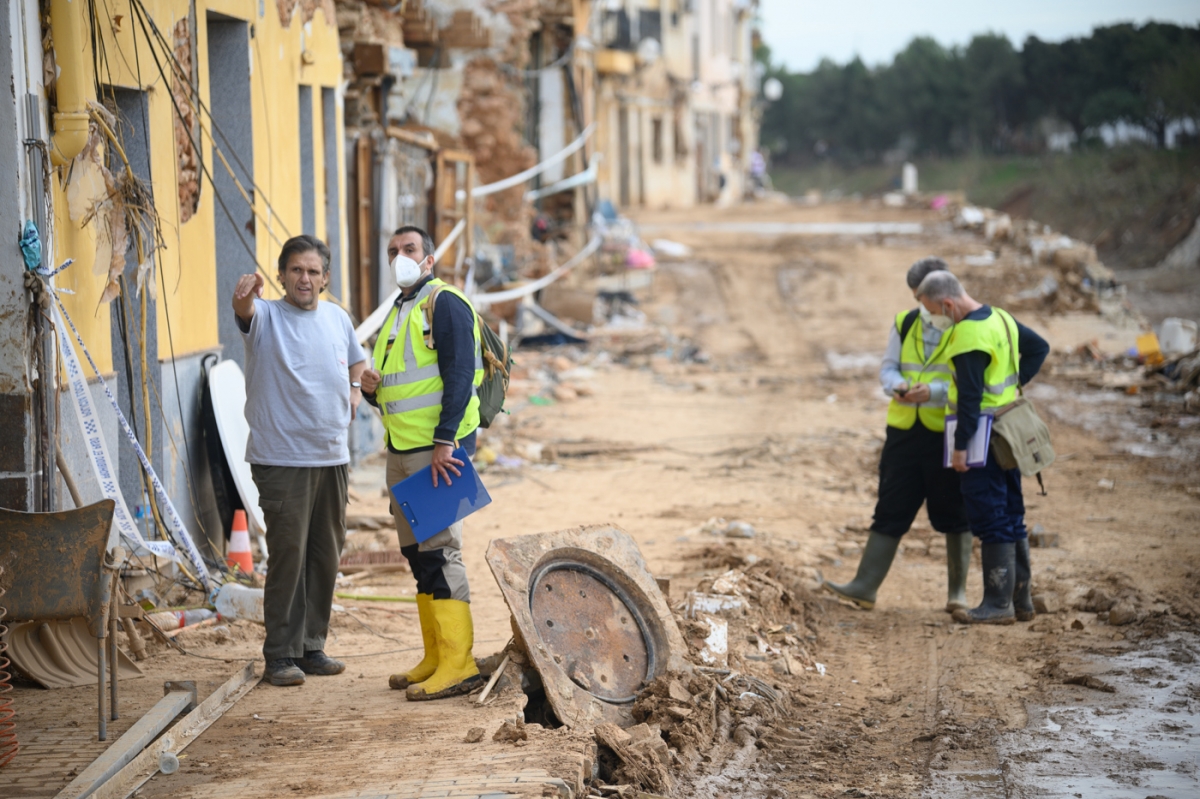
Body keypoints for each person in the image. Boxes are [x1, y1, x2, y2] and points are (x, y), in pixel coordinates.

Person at [232, 235, 367, 686]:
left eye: (312, 271)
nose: (304, 279)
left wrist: (353, 389)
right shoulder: (267, 315)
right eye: (295, 270)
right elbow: (246, 313)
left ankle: (312, 646)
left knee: (324, 554)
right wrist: (243, 300)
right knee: (288, 554)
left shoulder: (337, 317)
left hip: (331, 454)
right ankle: (280, 655)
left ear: (325, 278)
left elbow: (355, 363)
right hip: (281, 456)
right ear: (282, 275)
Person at [359, 225, 486, 701]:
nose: (399, 257)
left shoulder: (444, 303)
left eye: (409, 249)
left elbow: (458, 377)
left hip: (438, 451)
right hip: (402, 449)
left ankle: (460, 663)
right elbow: (406, 387)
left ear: (429, 259)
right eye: (392, 250)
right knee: (417, 555)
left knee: (440, 551)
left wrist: (446, 441)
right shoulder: (398, 312)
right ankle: (435, 656)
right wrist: (374, 393)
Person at [823, 257, 973, 612]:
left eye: (923, 299)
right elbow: (888, 367)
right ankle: (864, 586)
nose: (921, 307)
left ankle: (958, 594)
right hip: (904, 432)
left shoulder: (964, 325)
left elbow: (967, 379)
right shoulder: (905, 323)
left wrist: (933, 393)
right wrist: (897, 386)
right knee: (891, 505)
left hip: (945, 433)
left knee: (955, 509)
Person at [913, 271, 1050, 625]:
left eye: (934, 313)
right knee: (1011, 512)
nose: (935, 321)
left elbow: (970, 398)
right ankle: (1021, 602)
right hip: (1009, 432)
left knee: (990, 517)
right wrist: (1013, 384)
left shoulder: (967, 335)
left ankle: (996, 603)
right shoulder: (1000, 317)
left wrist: (960, 449)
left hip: (982, 438)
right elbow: (1038, 347)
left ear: (948, 304)